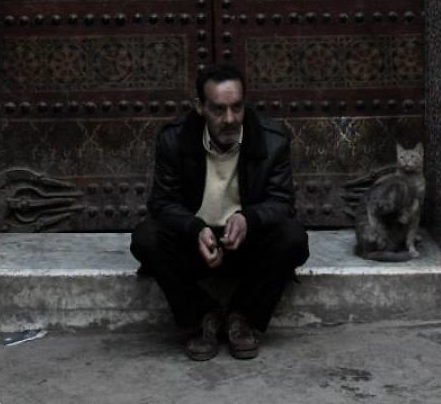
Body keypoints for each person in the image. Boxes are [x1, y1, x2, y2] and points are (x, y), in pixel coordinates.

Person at [130, 62, 309, 360]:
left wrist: (248, 218)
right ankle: (202, 317)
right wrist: (193, 228)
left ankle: (243, 317)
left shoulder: (273, 139)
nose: (230, 119)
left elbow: (282, 202)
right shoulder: (173, 139)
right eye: (218, 109)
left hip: (246, 244)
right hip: (197, 246)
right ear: (199, 107)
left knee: (293, 237)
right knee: (146, 238)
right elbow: (162, 203)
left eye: (237, 108)